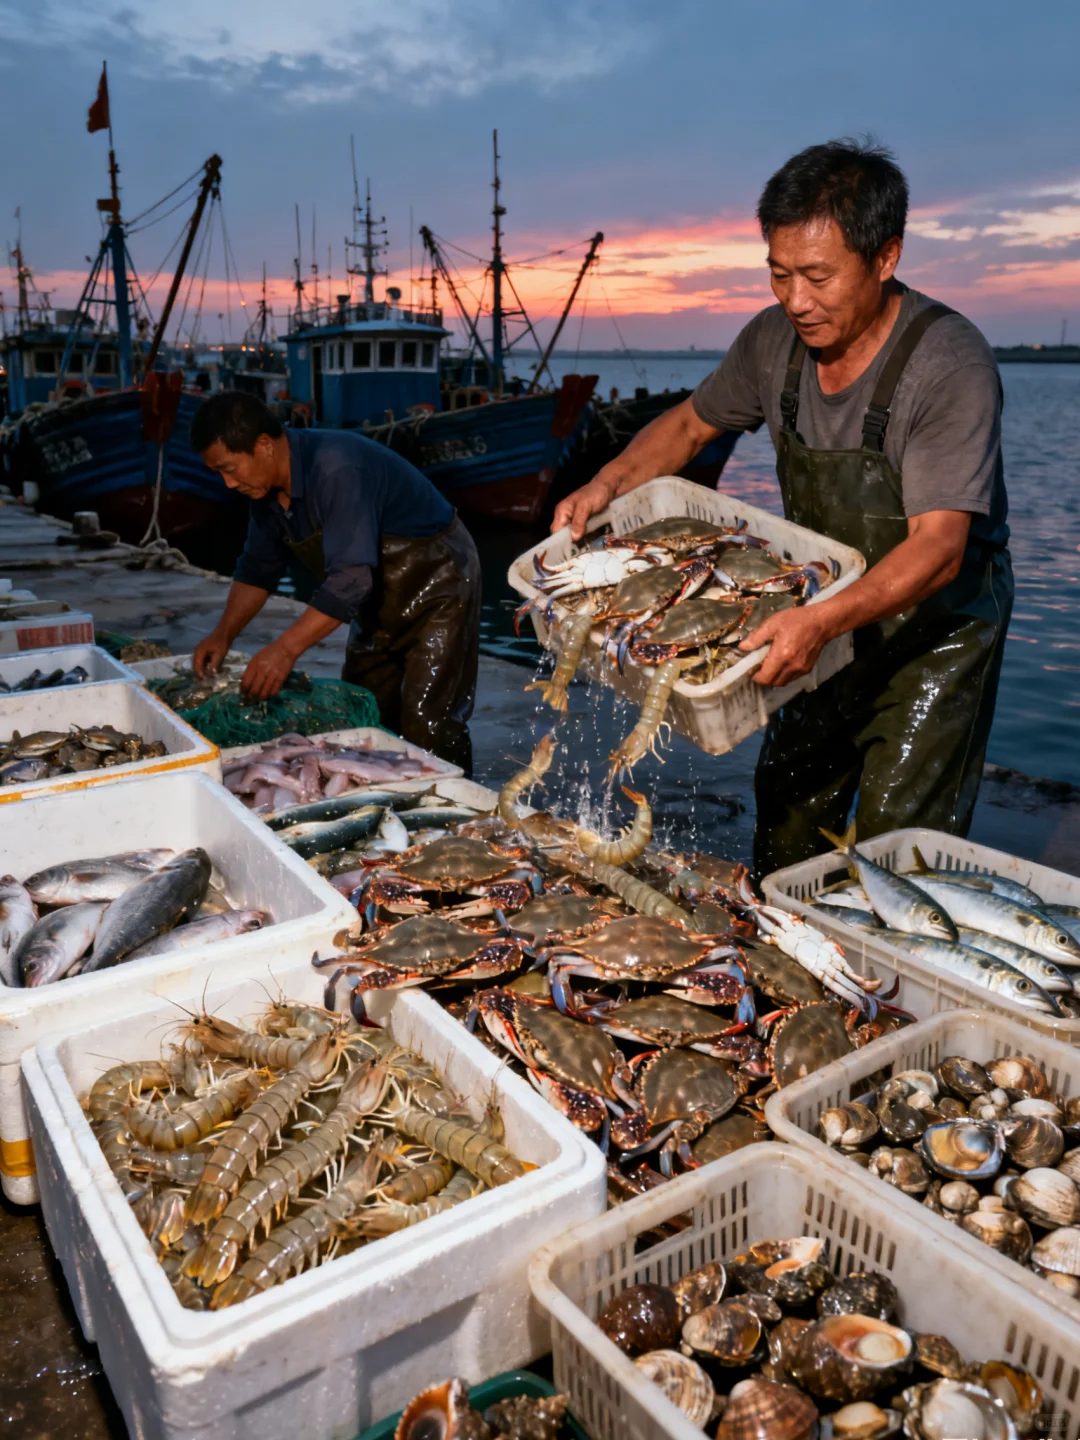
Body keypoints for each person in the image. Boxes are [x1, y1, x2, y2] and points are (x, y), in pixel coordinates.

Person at [553, 139, 1012, 877]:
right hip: (812, 616)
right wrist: (607, 483)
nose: (796, 300)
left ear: (886, 257)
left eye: (818, 277)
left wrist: (820, 622)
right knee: (788, 819)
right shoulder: (773, 342)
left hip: (932, 636)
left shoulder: (948, 364)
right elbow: (689, 426)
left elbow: (939, 548)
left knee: (901, 851)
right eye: (779, 272)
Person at [190, 392, 481, 772]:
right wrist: (223, 634)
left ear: (263, 445)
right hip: (377, 601)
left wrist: (285, 650)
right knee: (366, 712)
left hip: (440, 584)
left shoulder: (337, 468)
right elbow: (257, 570)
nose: (228, 483)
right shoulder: (265, 495)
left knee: (429, 720)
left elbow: (350, 580)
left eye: (229, 468)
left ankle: (455, 801)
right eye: (219, 473)